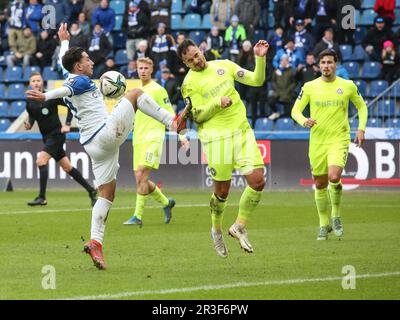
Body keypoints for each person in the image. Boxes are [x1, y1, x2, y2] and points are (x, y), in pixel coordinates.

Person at [26, 23, 186, 270]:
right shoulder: (78, 81)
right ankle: (172, 122)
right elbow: (66, 89)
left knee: (107, 193)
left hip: (94, 147)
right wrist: (45, 96)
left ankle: (95, 243)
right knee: (133, 94)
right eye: (87, 59)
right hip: (104, 135)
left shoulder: (71, 72)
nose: (91, 62)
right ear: (79, 66)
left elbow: (62, 61)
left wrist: (65, 40)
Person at [177, 38, 269, 258]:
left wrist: (260, 58)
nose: (196, 61)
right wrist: (217, 102)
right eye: (190, 61)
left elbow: (256, 80)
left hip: (242, 132)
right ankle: (216, 229)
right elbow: (196, 115)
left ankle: (239, 226)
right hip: (216, 138)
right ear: (186, 64)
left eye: (196, 55)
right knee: (222, 192)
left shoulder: (225, 65)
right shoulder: (189, 84)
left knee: (258, 181)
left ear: (201, 49)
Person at [291, 49, 368, 241]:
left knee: (334, 176)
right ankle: (323, 225)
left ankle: (335, 215)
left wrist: (361, 129)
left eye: (330, 62)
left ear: (336, 64)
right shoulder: (309, 86)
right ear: (319, 65)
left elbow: (362, 106)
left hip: (339, 139)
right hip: (317, 141)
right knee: (319, 183)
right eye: (323, 62)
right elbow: (295, 110)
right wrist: (303, 121)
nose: (326, 66)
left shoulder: (347, 86)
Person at [25, 72, 98, 207]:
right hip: (46, 138)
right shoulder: (29, 101)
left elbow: (70, 106)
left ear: (42, 82)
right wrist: (29, 124)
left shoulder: (50, 96)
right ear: (30, 84)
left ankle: (42, 197)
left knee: (41, 161)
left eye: (38, 80)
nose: (36, 83)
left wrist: (68, 124)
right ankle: (91, 190)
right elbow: (32, 115)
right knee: (67, 167)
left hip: (57, 135)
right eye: (33, 81)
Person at [123, 58, 177, 226]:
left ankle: (137, 216)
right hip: (138, 138)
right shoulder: (135, 91)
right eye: (140, 68)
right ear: (137, 70)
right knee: (141, 180)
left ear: (152, 69)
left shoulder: (159, 90)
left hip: (153, 137)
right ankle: (166, 203)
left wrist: (180, 135)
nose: (143, 70)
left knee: (141, 174)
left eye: (146, 68)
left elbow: (170, 114)